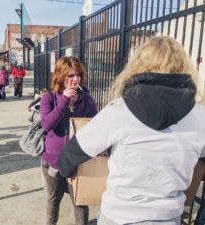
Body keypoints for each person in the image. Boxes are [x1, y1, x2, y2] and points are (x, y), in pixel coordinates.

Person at [58, 36, 205, 225]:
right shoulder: (199, 116)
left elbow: (72, 152)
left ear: (139, 64)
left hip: (118, 217)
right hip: (168, 218)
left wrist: (67, 171)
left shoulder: (119, 110)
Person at [40, 56, 97, 225]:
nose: (75, 79)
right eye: (70, 76)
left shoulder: (86, 99)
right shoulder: (49, 98)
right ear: (60, 76)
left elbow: (95, 126)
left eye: (78, 75)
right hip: (53, 161)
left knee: (80, 202)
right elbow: (46, 125)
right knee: (53, 201)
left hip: (77, 161)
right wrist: (64, 101)